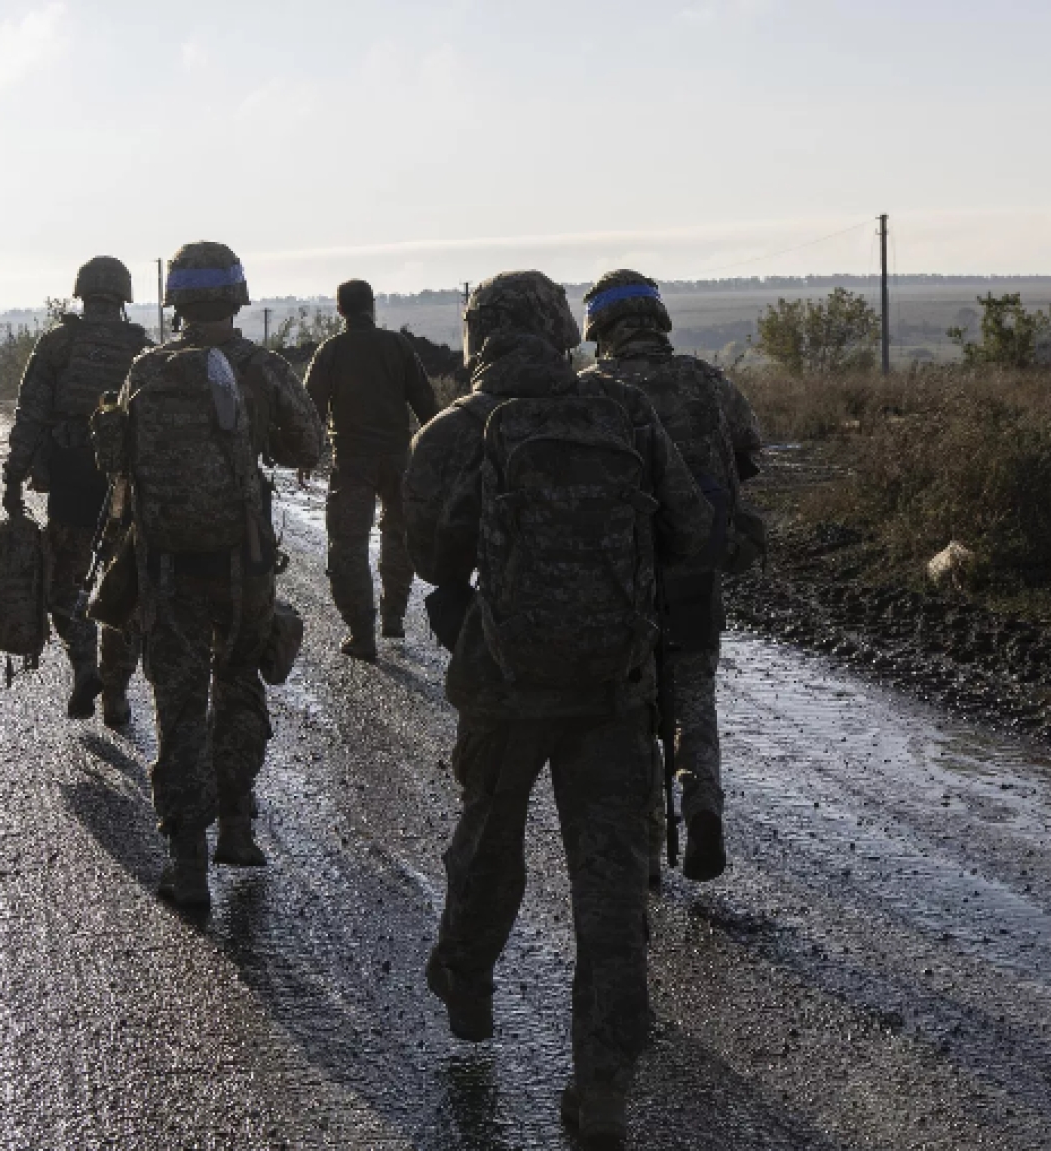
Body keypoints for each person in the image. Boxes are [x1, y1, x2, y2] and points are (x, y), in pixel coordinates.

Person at [405, 271, 710, 1148]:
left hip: (503, 686)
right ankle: (603, 1086)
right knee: (610, 889)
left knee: (490, 841)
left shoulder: (456, 430)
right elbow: (692, 530)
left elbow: (430, 557)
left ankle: (467, 980)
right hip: (614, 687)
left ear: (477, 338)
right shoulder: (622, 413)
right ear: (557, 330)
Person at [111, 241, 322, 907]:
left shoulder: (145, 368)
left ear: (175, 300)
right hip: (244, 563)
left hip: (168, 562)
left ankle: (187, 861)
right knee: (238, 682)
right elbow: (311, 446)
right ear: (236, 295)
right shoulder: (260, 366)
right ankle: (237, 824)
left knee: (178, 707)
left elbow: (118, 463)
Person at [578, 270, 765, 884]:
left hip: (618, 582)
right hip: (695, 569)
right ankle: (702, 799)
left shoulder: (589, 392)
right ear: (658, 321)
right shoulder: (706, 380)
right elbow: (749, 454)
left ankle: (646, 841)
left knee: (631, 708)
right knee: (694, 697)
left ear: (599, 328)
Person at [3, 257, 151, 726]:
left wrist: (14, 475)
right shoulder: (141, 351)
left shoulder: (58, 344)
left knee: (65, 581)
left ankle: (85, 664)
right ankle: (117, 695)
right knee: (121, 585)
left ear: (82, 293)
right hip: (126, 485)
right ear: (123, 296)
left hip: (70, 475)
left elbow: (31, 414)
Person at [303, 279, 441, 660]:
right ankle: (393, 614)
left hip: (351, 462)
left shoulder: (331, 351)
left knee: (349, 545)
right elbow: (426, 404)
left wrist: (305, 455)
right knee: (398, 534)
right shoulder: (398, 346)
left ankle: (361, 633)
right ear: (372, 306)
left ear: (340, 309)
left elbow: (309, 411)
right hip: (399, 457)